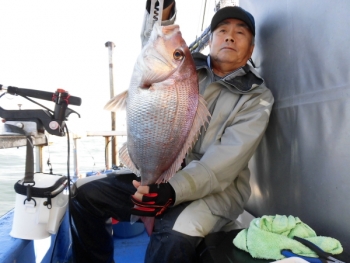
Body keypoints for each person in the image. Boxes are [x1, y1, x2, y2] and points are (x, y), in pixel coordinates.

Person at [70, 1, 274, 263]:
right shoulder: (184, 68)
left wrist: (172, 191)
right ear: (210, 41)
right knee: (84, 194)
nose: (230, 36)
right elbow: (154, 40)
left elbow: (222, 164)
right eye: (222, 30)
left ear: (251, 50)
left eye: (241, 32)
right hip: (159, 174)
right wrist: (163, 9)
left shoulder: (257, 98)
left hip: (217, 191)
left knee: (174, 234)